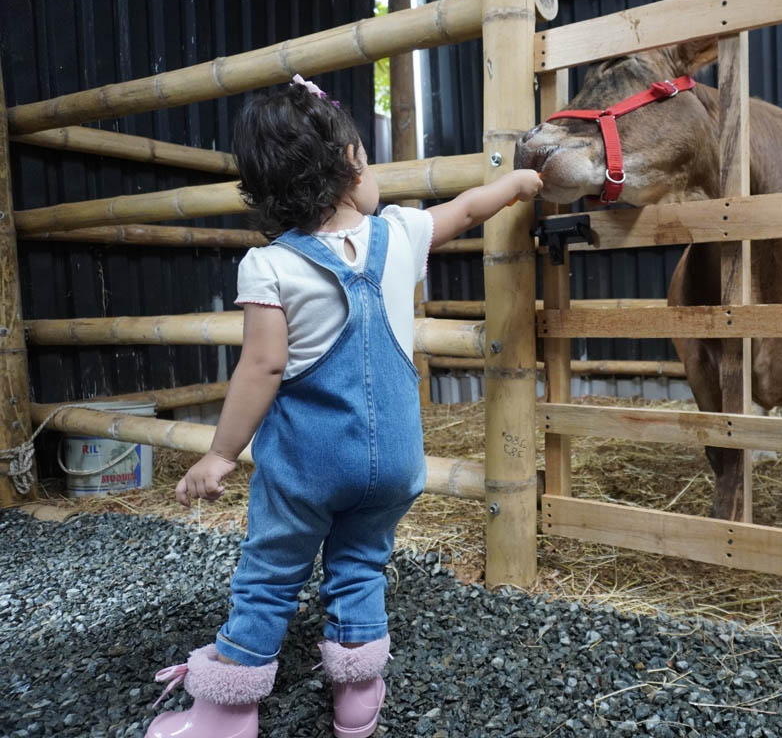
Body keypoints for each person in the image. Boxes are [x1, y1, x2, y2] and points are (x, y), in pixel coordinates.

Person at [143, 74, 542, 738]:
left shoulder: (270, 265)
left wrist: (220, 453)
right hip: (396, 466)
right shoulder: (400, 235)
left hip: (309, 466)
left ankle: (227, 709)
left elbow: (263, 365)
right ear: (351, 166)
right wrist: (519, 185)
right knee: (360, 565)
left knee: (270, 573)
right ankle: (357, 698)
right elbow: (469, 210)